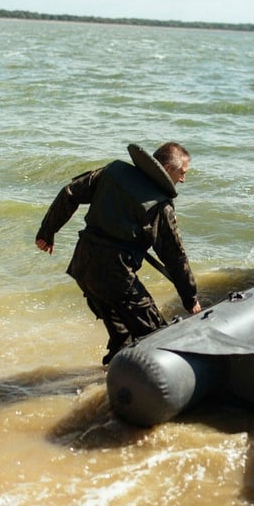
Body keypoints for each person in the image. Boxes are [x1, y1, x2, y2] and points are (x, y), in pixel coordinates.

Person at [35, 143, 201, 365]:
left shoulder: (112, 171)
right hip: (116, 276)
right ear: (167, 168)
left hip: (83, 266)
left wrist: (47, 232)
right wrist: (190, 299)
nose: (183, 180)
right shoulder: (161, 206)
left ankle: (108, 384)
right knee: (156, 335)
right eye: (182, 173)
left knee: (122, 337)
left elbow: (70, 193)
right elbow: (174, 256)